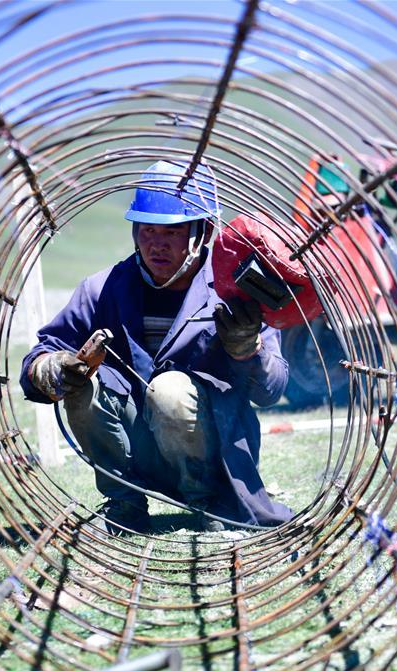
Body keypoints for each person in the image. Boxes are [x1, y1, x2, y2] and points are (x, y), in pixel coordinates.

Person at [20, 160, 294, 534]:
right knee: (84, 384)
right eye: (147, 230)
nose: (156, 244)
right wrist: (49, 368)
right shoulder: (103, 290)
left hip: (214, 456)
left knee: (169, 391)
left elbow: (273, 389)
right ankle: (125, 503)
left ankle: (208, 503)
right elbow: (45, 349)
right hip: (140, 451)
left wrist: (250, 349)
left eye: (172, 231)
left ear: (203, 231)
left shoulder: (235, 295)